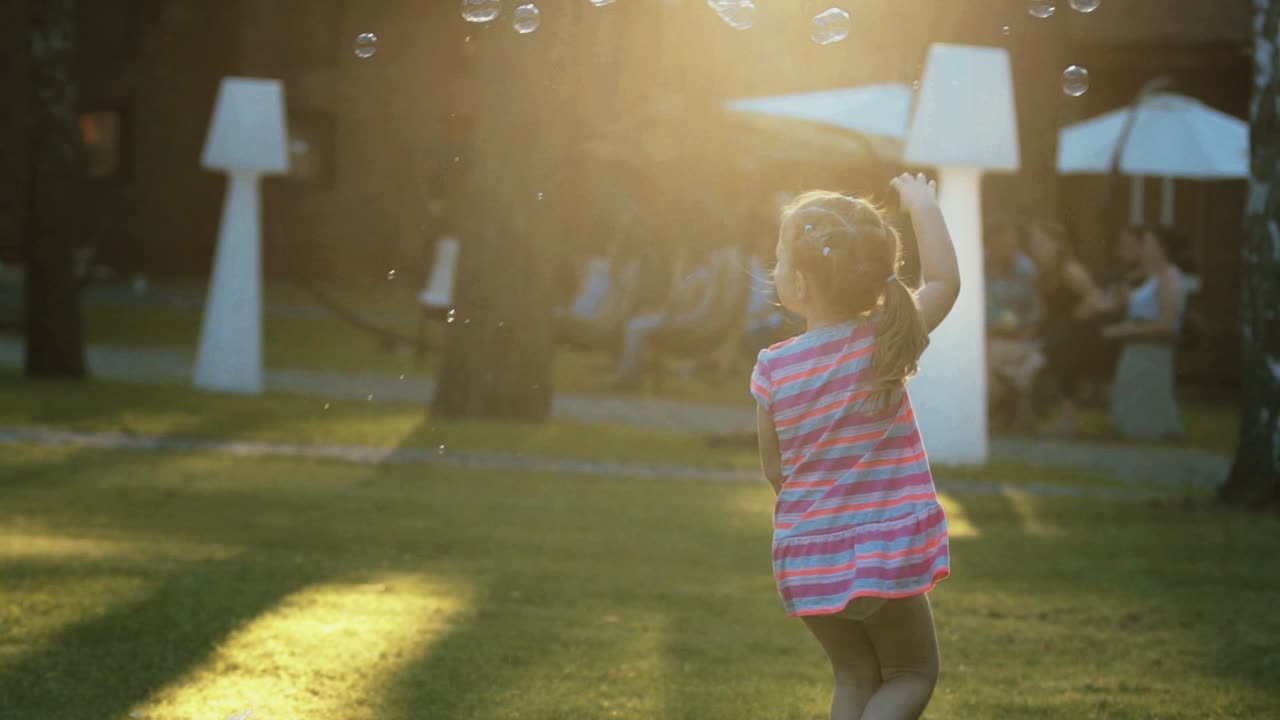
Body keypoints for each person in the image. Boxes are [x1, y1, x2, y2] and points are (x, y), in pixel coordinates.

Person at [751, 173, 959, 720]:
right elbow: (944, 280)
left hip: (806, 549)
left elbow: (774, 469)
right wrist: (921, 205)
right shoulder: (883, 342)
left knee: (855, 676)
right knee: (912, 674)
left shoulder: (774, 367)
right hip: (880, 550)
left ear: (797, 282)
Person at [1101, 225, 1192, 440]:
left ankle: (1154, 432)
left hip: (1152, 350)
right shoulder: (1153, 278)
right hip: (1135, 349)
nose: (1143, 249)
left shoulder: (1170, 279)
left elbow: (1166, 323)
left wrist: (1124, 331)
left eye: (1148, 244)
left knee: (1146, 401)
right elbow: (1138, 304)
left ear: (1162, 248)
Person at [1026, 220, 1108, 436]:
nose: (1037, 248)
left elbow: (1096, 297)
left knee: (1064, 336)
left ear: (1058, 245)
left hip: (1082, 335)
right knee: (1058, 337)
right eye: (1034, 243)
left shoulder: (1070, 271)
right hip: (1057, 338)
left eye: (1042, 243)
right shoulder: (1040, 276)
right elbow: (1042, 313)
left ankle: (1030, 368)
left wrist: (1077, 316)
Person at [983, 221, 1043, 428]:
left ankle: (988, 415)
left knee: (992, 358)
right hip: (981, 339)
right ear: (991, 243)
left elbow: (1036, 313)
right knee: (987, 356)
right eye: (1003, 243)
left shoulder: (1025, 270)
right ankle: (994, 414)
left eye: (1013, 243)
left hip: (1018, 339)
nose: (1009, 247)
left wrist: (1024, 336)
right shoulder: (976, 265)